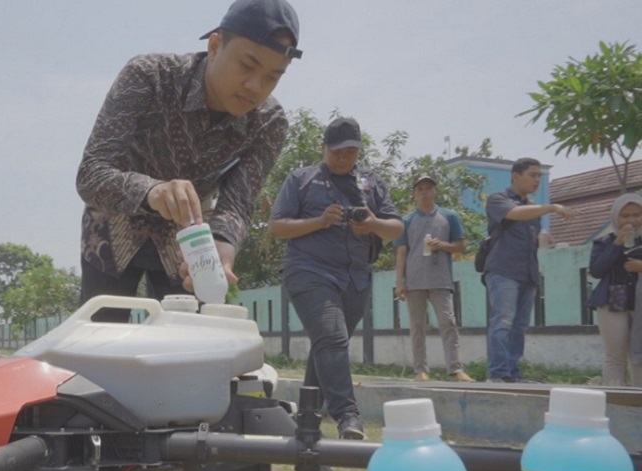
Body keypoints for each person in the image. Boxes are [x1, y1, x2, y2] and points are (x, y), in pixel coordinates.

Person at [77, 0, 301, 321]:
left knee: (183, 347)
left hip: (190, 249)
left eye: (272, 77)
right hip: (112, 231)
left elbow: (237, 203)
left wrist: (223, 248)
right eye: (247, 65)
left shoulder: (269, 123)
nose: (255, 87)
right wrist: (152, 191)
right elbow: (91, 173)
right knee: (99, 341)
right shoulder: (149, 76)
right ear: (214, 46)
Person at [268, 117, 403, 439]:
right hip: (309, 270)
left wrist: (372, 224)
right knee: (331, 336)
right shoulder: (300, 179)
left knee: (327, 344)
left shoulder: (371, 183)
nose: (345, 158)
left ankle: (307, 416)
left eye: (352, 152)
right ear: (324, 148)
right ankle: (348, 417)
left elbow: (397, 227)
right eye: (338, 151)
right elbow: (277, 227)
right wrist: (318, 221)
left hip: (356, 276)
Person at [483, 158, 575, 383]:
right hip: (503, 270)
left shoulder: (532, 207)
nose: (537, 180)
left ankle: (512, 373)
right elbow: (514, 214)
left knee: (519, 326)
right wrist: (552, 207)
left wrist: (543, 240)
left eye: (539, 176)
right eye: (532, 175)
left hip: (528, 274)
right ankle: (498, 374)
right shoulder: (498, 199)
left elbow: (530, 235)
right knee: (503, 321)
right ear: (516, 175)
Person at [394, 175, 473, 382]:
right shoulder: (407, 220)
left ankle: (455, 369)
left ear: (435, 191)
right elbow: (401, 253)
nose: (424, 192)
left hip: (441, 279)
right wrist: (399, 283)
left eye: (428, 188)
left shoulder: (449, 216)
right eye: (420, 189)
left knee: (448, 322)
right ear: (414, 193)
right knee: (417, 326)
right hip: (415, 281)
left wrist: (443, 245)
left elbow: (462, 245)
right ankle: (421, 370)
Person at [587, 193, 642, 386]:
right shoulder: (605, 242)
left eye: (636, 214)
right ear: (616, 217)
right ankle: (615, 400)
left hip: (639, 300)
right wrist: (617, 243)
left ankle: (638, 401)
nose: (631, 220)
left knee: (639, 354)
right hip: (613, 298)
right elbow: (596, 270)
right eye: (625, 216)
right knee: (615, 356)